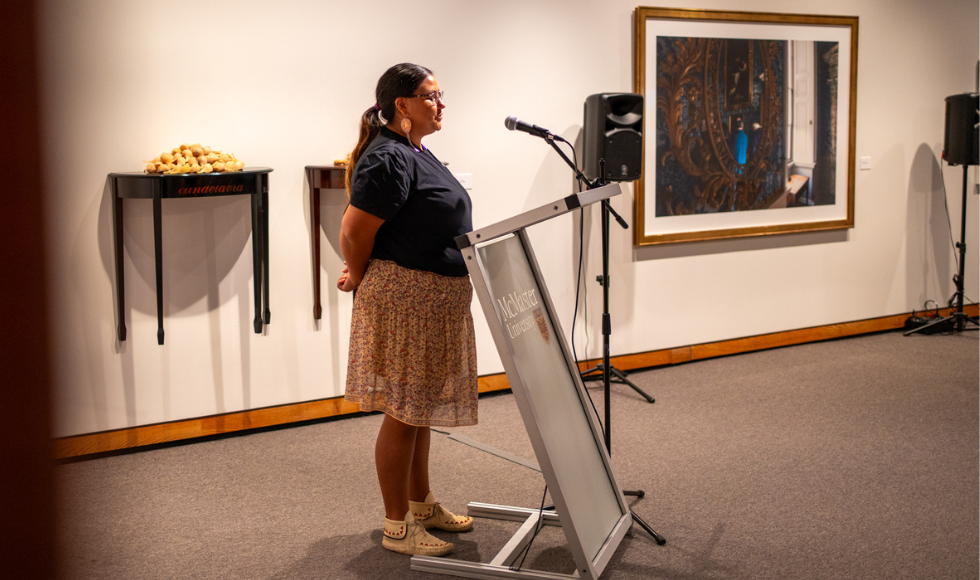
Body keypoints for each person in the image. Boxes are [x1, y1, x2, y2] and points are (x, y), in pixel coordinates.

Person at [337, 63, 477, 557]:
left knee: (418, 412)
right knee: (403, 413)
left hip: (433, 300)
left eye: (440, 95)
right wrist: (356, 273)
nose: (442, 104)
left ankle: (422, 505)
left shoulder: (416, 149)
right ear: (403, 104)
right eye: (433, 96)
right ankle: (398, 525)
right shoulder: (388, 159)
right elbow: (354, 232)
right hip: (407, 301)